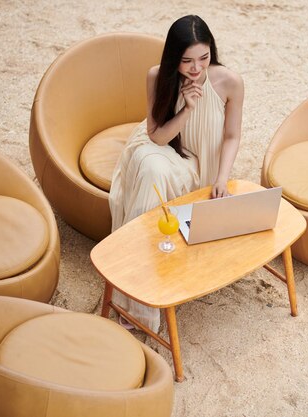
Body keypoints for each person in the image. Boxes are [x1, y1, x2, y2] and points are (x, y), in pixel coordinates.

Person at [109, 15, 244, 332]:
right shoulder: (158, 76)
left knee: (159, 176)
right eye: (186, 61)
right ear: (173, 57)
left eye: (203, 58)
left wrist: (222, 178)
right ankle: (137, 297)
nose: (196, 69)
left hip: (204, 163)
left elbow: (231, 136)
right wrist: (187, 109)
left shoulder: (230, 82)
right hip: (163, 148)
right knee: (151, 168)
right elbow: (156, 137)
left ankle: (142, 281)